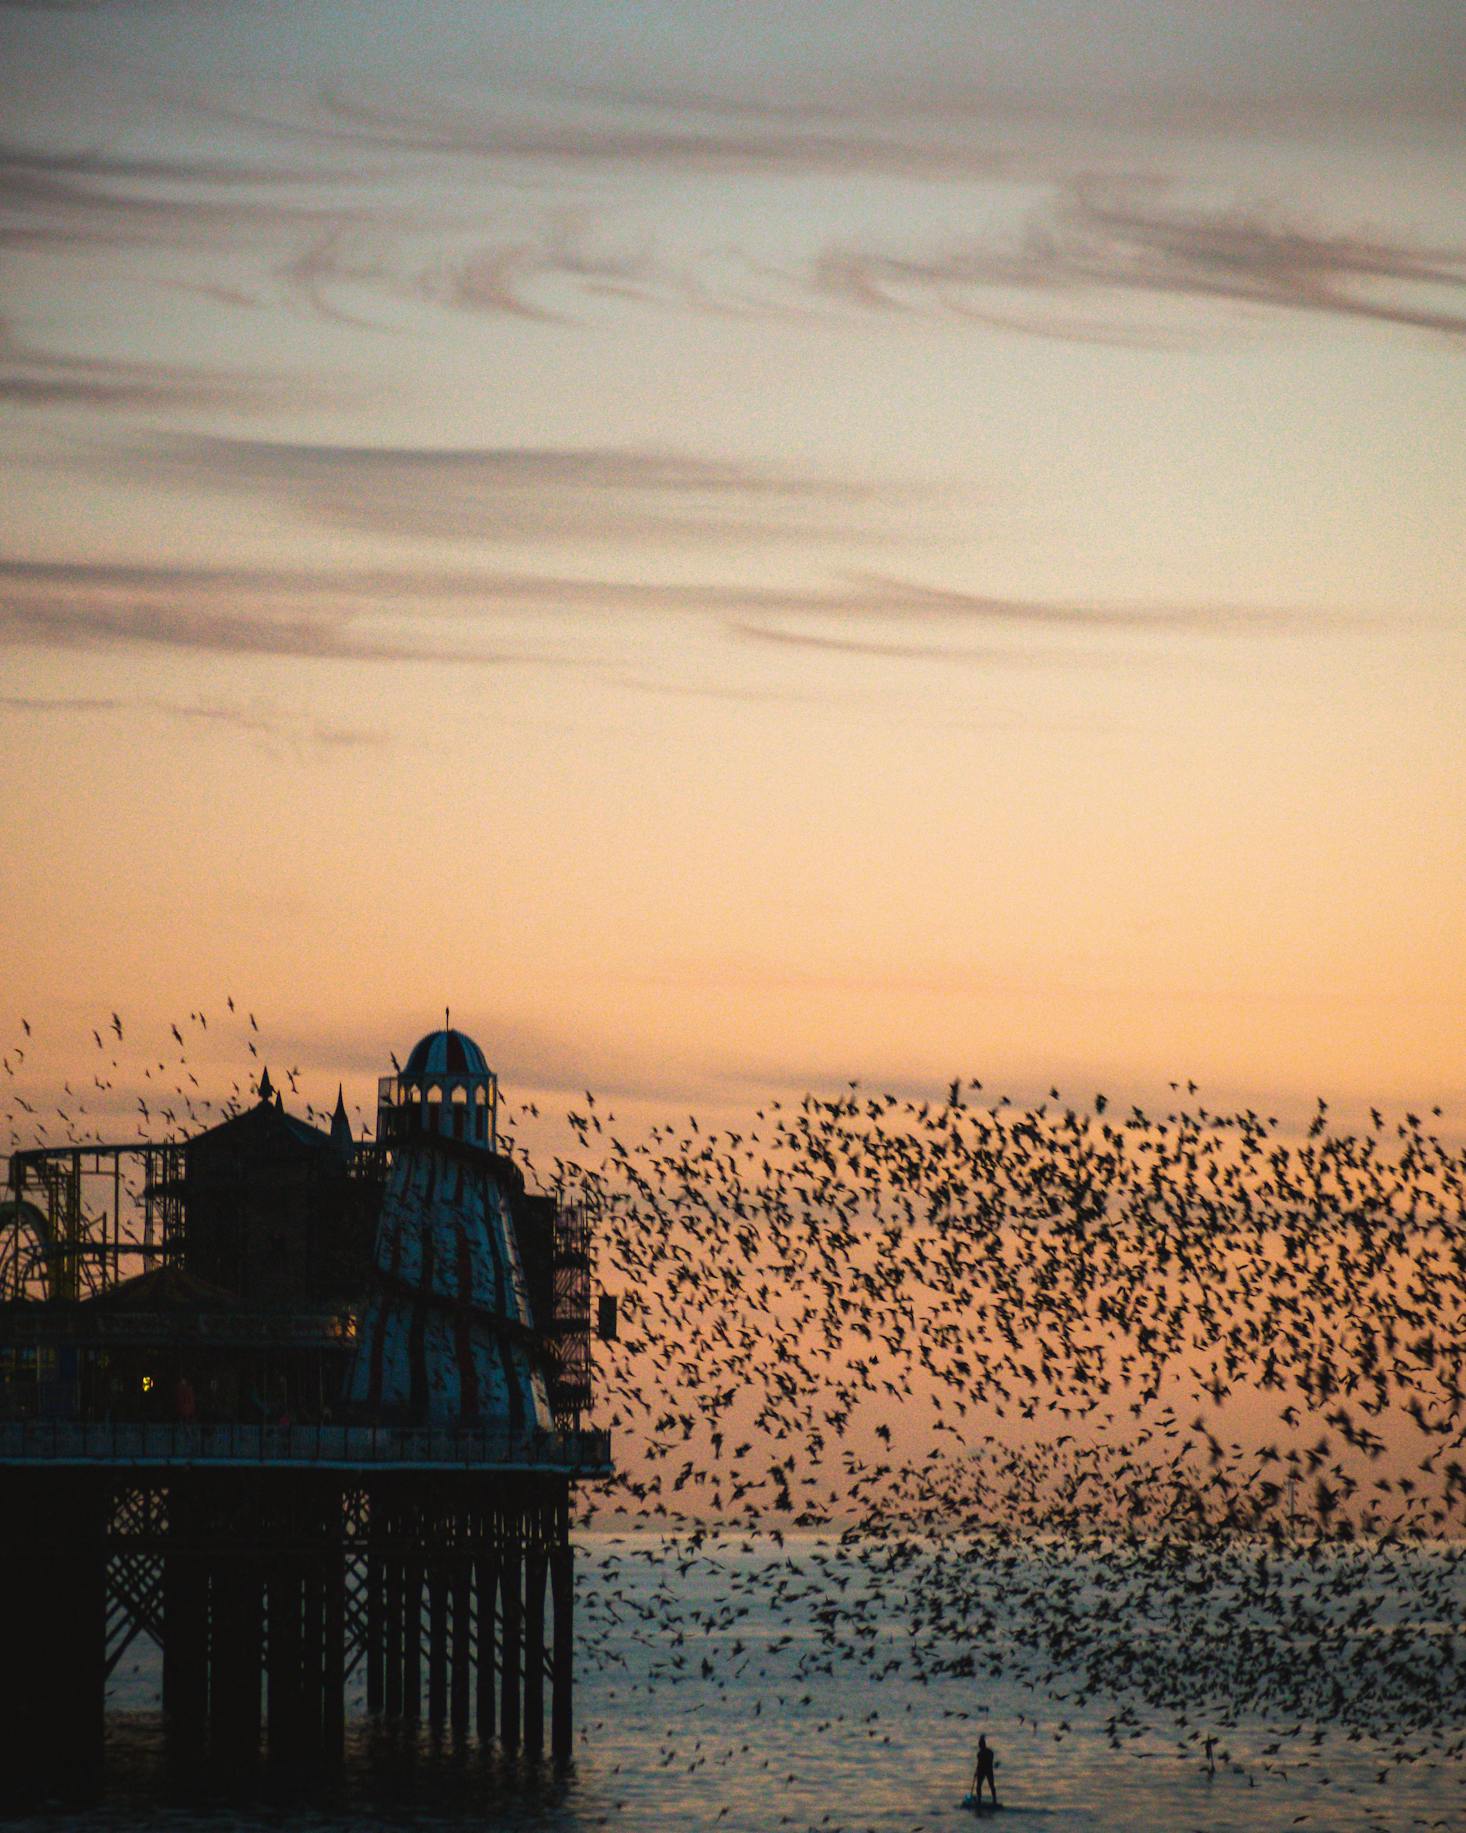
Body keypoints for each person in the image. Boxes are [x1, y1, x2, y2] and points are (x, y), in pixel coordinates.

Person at [972, 1733, 998, 1806]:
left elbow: (979, 1764)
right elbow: (980, 1763)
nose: (979, 1746)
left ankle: (981, 1800)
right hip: (987, 1770)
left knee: (981, 1786)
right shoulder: (989, 1752)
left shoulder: (981, 1753)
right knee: (989, 1785)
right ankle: (993, 1800)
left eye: (979, 1745)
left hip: (984, 1770)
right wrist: (976, 1772)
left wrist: (977, 1772)